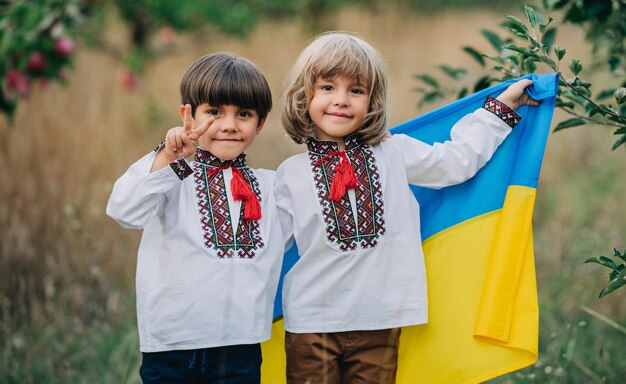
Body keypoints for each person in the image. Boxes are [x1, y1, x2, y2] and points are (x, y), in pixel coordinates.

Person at [275, 31, 539, 383]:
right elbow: (266, 246)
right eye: (327, 88)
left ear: (372, 101)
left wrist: (502, 108)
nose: (341, 100)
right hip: (311, 324)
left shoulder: (394, 152)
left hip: (380, 322)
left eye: (356, 90)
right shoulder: (289, 174)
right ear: (302, 96)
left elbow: (455, 163)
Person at [106, 52, 284, 384]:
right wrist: (168, 157)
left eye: (243, 114)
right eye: (214, 112)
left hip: (240, 347)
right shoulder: (171, 176)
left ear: (260, 123)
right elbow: (123, 210)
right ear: (189, 114)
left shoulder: (273, 185)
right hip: (172, 346)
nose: (229, 125)